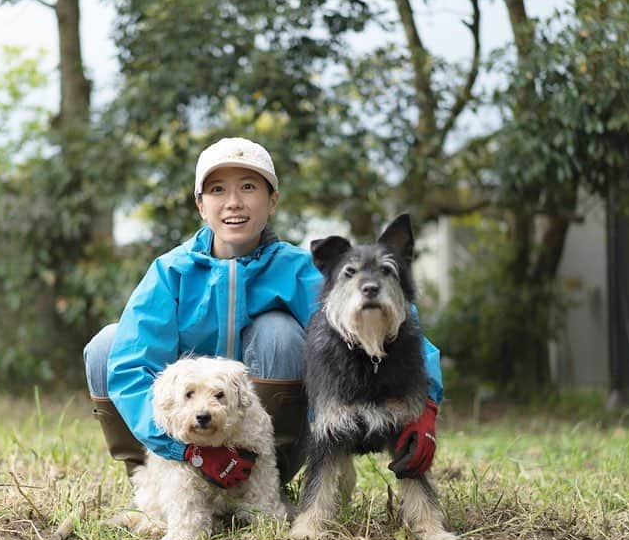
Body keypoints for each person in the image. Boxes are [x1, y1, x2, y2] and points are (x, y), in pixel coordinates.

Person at [84, 137, 445, 488]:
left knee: (279, 331)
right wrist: (188, 451)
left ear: (272, 201)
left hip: (265, 451)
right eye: (218, 190)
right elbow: (131, 366)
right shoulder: (170, 272)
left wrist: (426, 404)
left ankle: (262, 483)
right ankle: (150, 488)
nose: (234, 203)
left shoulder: (297, 269)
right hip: (180, 451)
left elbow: (397, 328)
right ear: (201, 205)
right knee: (107, 346)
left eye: (248, 187)